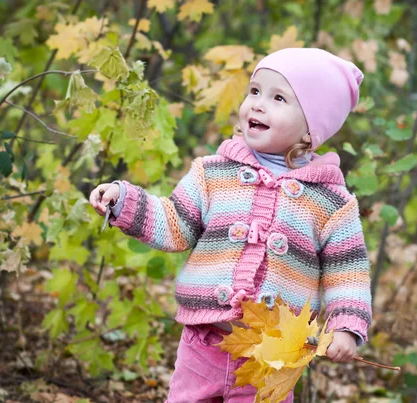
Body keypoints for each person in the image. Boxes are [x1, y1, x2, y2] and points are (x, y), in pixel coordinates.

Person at [89, 47, 372, 402]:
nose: (256, 103)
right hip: (202, 342)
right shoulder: (214, 173)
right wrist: (125, 201)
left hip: (272, 357)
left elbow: (348, 272)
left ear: (311, 128)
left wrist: (347, 326)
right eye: (254, 91)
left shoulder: (330, 201)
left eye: (278, 97)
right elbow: (175, 222)